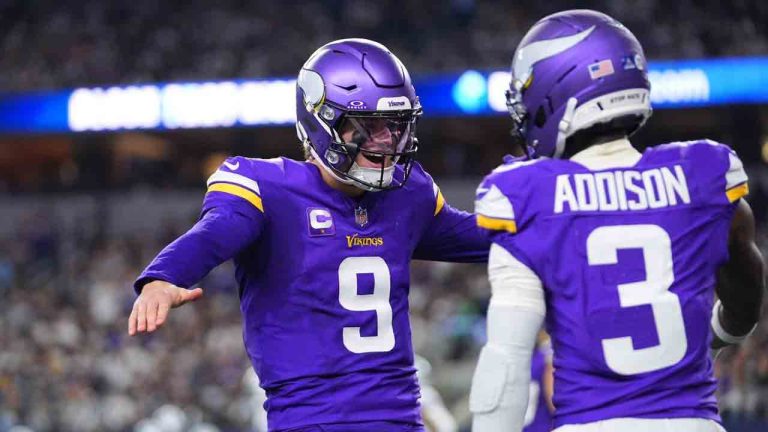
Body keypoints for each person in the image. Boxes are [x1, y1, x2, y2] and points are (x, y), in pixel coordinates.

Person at [127, 38, 489, 432]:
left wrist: (547, 218)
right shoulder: (267, 187)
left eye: (394, 127)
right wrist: (166, 275)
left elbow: (484, 238)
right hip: (313, 420)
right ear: (321, 122)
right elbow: (216, 232)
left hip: (400, 418)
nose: (386, 142)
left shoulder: (409, 194)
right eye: (367, 128)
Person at [469, 9, 764, 432]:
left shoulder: (527, 195)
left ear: (555, 90)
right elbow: (746, 291)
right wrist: (721, 333)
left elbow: (507, 361)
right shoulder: (704, 175)